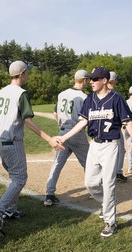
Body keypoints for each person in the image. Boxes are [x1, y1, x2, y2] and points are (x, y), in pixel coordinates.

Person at [58, 67, 132, 237]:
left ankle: (110, 221)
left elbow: (127, 121)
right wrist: (64, 138)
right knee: (90, 183)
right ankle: (106, 203)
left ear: (104, 80)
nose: (92, 82)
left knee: (108, 183)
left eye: (95, 79)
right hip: (94, 145)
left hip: (111, 145)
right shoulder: (89, 99)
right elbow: (82, 123)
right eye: (91, 79)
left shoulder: (116, 99)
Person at [0, 60, 64, 236]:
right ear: (21, 74)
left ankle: (10, 210)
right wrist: (49, 139)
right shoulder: (21, 93)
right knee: (20, 178)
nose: (28, 75)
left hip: (0, 140)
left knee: (14, 177)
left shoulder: (1, 92)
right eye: (27, 72)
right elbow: (27, 120)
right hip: (12, 141)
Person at [44, 70, 90, 206]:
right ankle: (94, 191)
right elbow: (86, 119)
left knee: (57, 163)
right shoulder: (84, 97)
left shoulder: (62, 94)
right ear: (85, 80)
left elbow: (55, 113)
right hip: (77, 132)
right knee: (89, 163)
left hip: (62, 132)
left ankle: (49, 194)